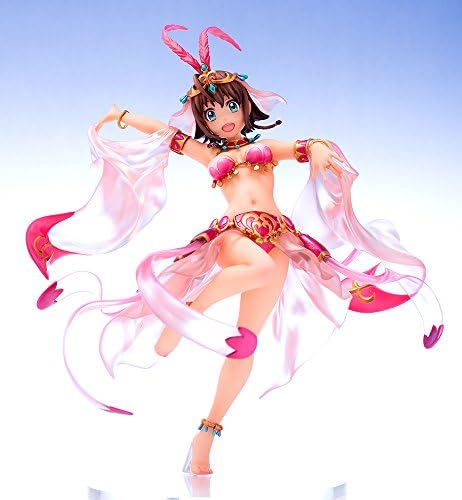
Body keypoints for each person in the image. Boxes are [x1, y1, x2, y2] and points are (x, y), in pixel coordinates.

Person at [26, 25, 444, 476]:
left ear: (245, 107)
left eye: (230, 106)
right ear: (202, 120)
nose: (223, 117)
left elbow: (307, 145)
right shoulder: (209, 156)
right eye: (211, 112)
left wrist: (321, 151)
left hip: (279, 240)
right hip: (233, 236)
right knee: (256, 269)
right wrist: (121, 115)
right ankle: (188, 312)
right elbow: (167, 135)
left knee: (244, 344)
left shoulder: (265, 148)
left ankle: (205, 437)